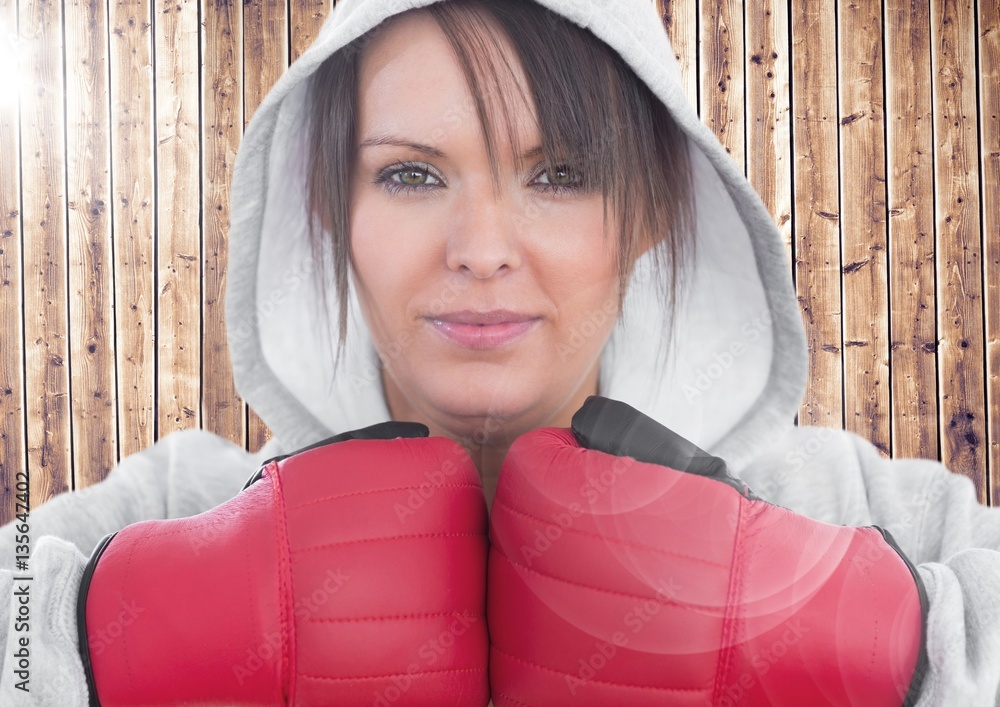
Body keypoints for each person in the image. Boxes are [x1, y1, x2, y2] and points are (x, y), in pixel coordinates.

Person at [1, 0, 998, 705]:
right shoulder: (178, 507)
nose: (480, 249)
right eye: (409, 175)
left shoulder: (850, 514)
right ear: (329, 211)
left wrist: (892, 641)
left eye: (557, 173)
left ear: (652, 210)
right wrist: (101, 631)